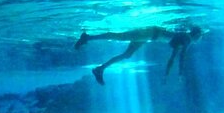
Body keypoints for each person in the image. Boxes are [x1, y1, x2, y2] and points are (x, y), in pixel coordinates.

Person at [74, 25, 202, 85]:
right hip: (149, 33)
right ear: (196, 35)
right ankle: (87, 37)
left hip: (150, 36)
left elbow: (174, 57)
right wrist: (178, 73)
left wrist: (168, 74)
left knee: (127, 55)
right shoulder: (187, 39)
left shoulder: (184, 37)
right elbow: (180, 57)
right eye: (200, 37)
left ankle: (100, 69)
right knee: (120, 36)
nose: (199, 40)